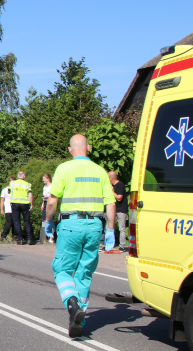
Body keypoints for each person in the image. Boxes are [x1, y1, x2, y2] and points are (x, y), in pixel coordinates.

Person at [44, 134, 116, 338]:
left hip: (71, 225)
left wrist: (48, 222)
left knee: (62, 270)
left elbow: (52, 201)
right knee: (84, 273)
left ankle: (72, 303)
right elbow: (110, 203)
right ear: (89, 148)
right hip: (94, 226)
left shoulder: (64, 169)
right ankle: (78, 321)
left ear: (70, 150)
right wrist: (110, 230)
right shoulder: (100, 171)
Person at [101, 171, 129, 253]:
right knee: (108, 226)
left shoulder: (120, 185)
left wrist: (111, 191)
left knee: (121, 228)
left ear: (111, 178)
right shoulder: (112, 186)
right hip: (113, 209)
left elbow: (119, 198)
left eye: (108, 178)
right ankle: (107, 245)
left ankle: (122, 247)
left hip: (121, 210)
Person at [9, 172, 33, 245]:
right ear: (24, 176)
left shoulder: (12, 183)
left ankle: (20, 239)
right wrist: (32, 204)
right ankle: (29, 239)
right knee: (27, 222)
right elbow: (30, 195)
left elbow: (9, 192)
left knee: (17, 222)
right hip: (25, 204)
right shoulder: (27, 184)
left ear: (17, 176)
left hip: (15, 204)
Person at [0, 177, 15, 243]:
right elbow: (2, 200)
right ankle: (3, 235)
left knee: (15, 223)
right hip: (8, 209)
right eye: (12, 182)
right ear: (9, 182)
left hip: (15, 209)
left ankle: (15, 237)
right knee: (9, 223)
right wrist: (2, 209)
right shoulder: (5, 190)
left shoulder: (15, 190)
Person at [39, 173, 53, 244]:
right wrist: (43, 203)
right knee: (44, 219)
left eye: (44, 179)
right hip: (45, 202)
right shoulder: (44, 187)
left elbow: (52, 195)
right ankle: (44, 237)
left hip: (50, 203)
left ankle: (51, 238)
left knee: (50, 220)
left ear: (48, 179)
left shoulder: (52, 186)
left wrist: (47, 197)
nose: (43, 180)